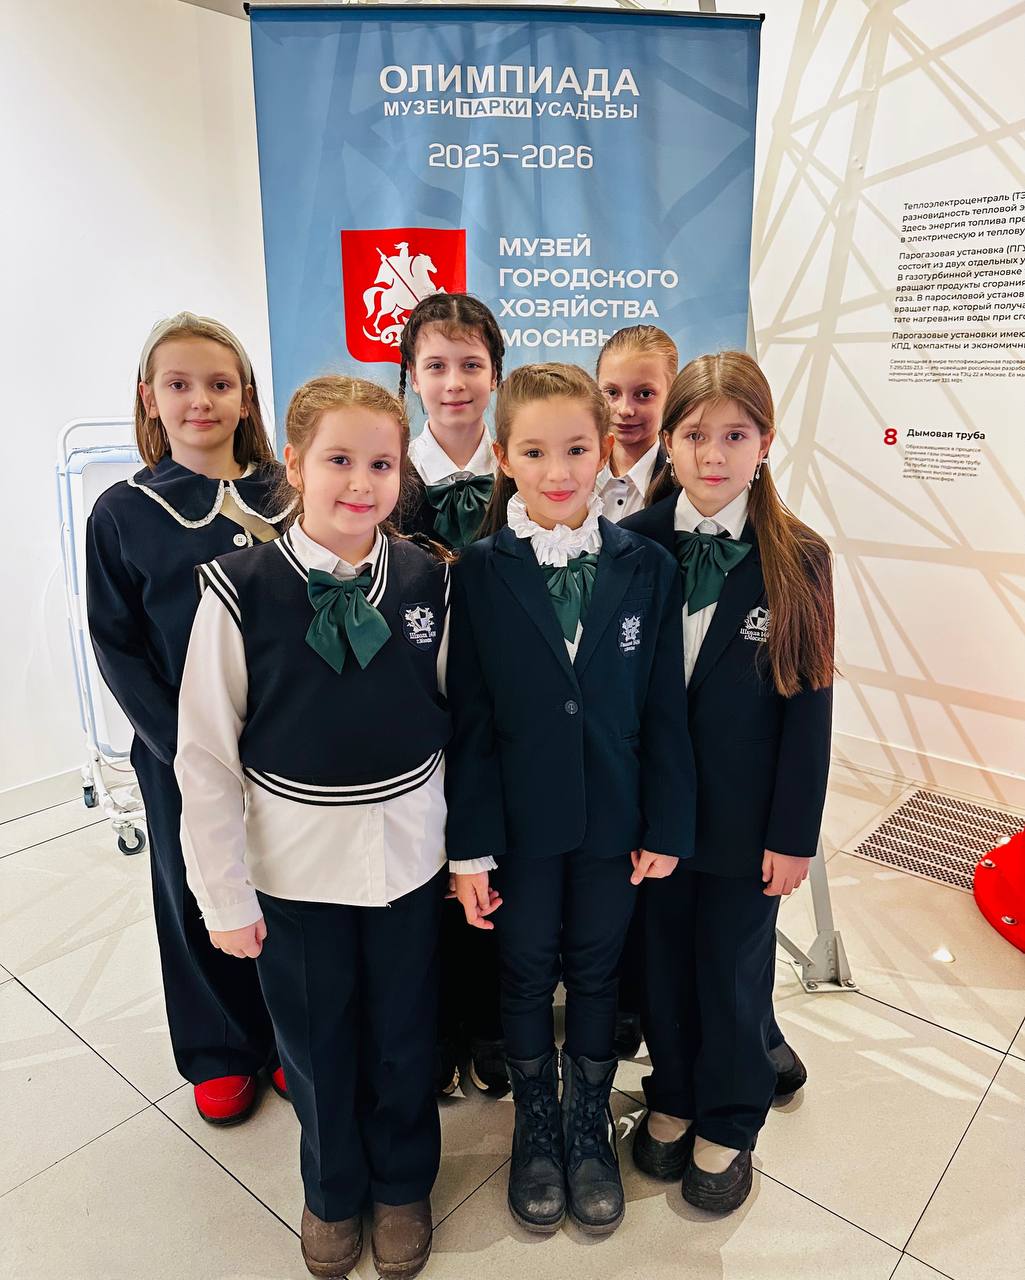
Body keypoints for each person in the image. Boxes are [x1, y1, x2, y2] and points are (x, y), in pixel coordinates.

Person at [176, 376, 449, 1279]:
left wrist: (466, 851)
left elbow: (456, 718)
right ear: (293, 464)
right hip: (291, 869)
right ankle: (332, 1190)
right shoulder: (239, 589)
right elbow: (205, 757)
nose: (360, 483)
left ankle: (403, 1184)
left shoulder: (427, 580)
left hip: (408, 858)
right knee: (315, 1041)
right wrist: (223, 896)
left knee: (404, 1033)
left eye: (381, 463)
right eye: (338, 460)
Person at [445, 363, 695, 1238]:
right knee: (521, 972)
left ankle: (587, 1121)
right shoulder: (477, 573)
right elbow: (469, 722)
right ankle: (536, 1125)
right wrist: (468, 849)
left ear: (604, 452)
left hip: (613, 822)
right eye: (534, 452)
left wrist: (666, 822)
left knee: (595, 970)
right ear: (502, 457)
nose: (557, 471)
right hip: (516, 826)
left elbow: (663, 707)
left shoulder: (647, 567)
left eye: (576, 450)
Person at [622, 350, 834, 1213]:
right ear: (667, 442)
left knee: (733, 971)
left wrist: (793, 834)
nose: (713, 455)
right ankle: (672, 1092)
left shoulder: (799, 556)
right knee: (662, 965)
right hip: (653, 819)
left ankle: (731, 1117)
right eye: (694, 435)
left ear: (765, 442)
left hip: (748, 823)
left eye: (735, 436)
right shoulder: (631, 545)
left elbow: (809, 706)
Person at [86, 311, 286, 1125]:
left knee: (287, 887)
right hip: (178, 749)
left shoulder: (290, 491)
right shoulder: (121, 512)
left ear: (246, 397)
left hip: (287, 739)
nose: (199, 399)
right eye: (179, 384)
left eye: (218, 383)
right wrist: (185, 750)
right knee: (195, 887)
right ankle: (221, 1049)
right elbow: (116, 642)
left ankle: (290, 1034)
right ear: (150, 397)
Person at [396, 292, 507, 1098]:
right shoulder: (386, 477)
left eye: (471, 364)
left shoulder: (524, 469)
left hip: (504, 703)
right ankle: (434, 1030)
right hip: (418, 701)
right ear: (411, 378)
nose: (454, 382)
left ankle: (492, 1024)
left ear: (495, 373)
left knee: (494, 859)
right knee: (426, 867)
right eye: (436, 365)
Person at [594, 325, 677, 524]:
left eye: (644, 394)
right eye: (612, 393)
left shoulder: (683, 487)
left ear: (672, 394)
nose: (625, 410)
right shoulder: (570, 474)